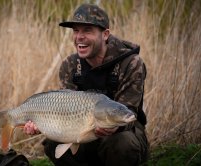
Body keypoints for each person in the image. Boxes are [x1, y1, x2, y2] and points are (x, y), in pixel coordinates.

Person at [24, 3, 149, 166]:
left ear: (105, 34)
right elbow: (63, 113)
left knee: (122, 143)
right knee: (52, 143)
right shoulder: (69, 65)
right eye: (76, 30)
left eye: (87, 30)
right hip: (83, 132)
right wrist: (41, 123)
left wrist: (113, 128)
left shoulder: (131, 63)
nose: (79, 37)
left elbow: (129, 115)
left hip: (123, 134)